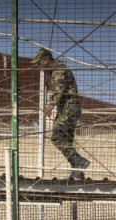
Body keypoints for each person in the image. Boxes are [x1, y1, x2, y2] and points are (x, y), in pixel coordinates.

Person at [33, 47, 89, 180]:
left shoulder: (58, 70)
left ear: (46, 60)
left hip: (68, 108)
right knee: (67, 141)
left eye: (39, 62)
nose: (38, 65)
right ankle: (77, 171)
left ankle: (80, 162)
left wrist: (50, 106)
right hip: (67, 108)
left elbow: (60, 90)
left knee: (57, 138)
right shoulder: (54, 71)